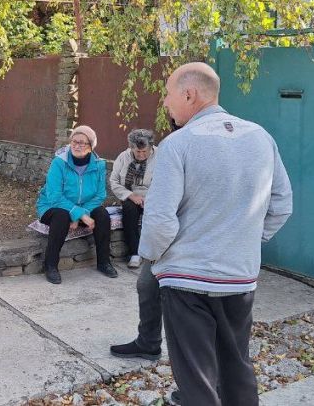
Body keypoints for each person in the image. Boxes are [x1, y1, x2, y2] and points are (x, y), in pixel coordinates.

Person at [139, 62, 292, 406]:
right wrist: (247, 241)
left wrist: (152, 257)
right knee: (236, 367)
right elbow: (282, 205)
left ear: (189, 94)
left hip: (186, 280)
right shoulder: (261, 138)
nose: (165, 102)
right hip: (238, 278)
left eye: (168, 94)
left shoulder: (178, 144)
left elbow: (160, 219)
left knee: (197, 379)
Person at [35, 125, 118, 285]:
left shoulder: (99, 165)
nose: (77, 145)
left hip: (83, 207)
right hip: (51, 207)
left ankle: (104, 262)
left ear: (91, 146)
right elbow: (54, 196)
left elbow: (100, 195)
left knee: (102, 214)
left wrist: (81, 213)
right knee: (61, 215)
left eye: (83, 143)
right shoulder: (59, 163)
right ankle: (50, 265)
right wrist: (77, 214)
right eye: (74, 141)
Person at [109, 128, 157, 269]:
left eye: (144, 151)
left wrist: (149, 198)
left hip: (154, 196)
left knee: (157, 217)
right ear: (131, 148)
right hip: (130, 196)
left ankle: (155, 254)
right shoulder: (123, 157)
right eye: (138, 152)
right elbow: (114, 181)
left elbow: (166, 182)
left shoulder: (161, 156)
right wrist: (131, 196)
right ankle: (135, 253)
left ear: (151, 147)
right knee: (129, 211)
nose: (141, 155)